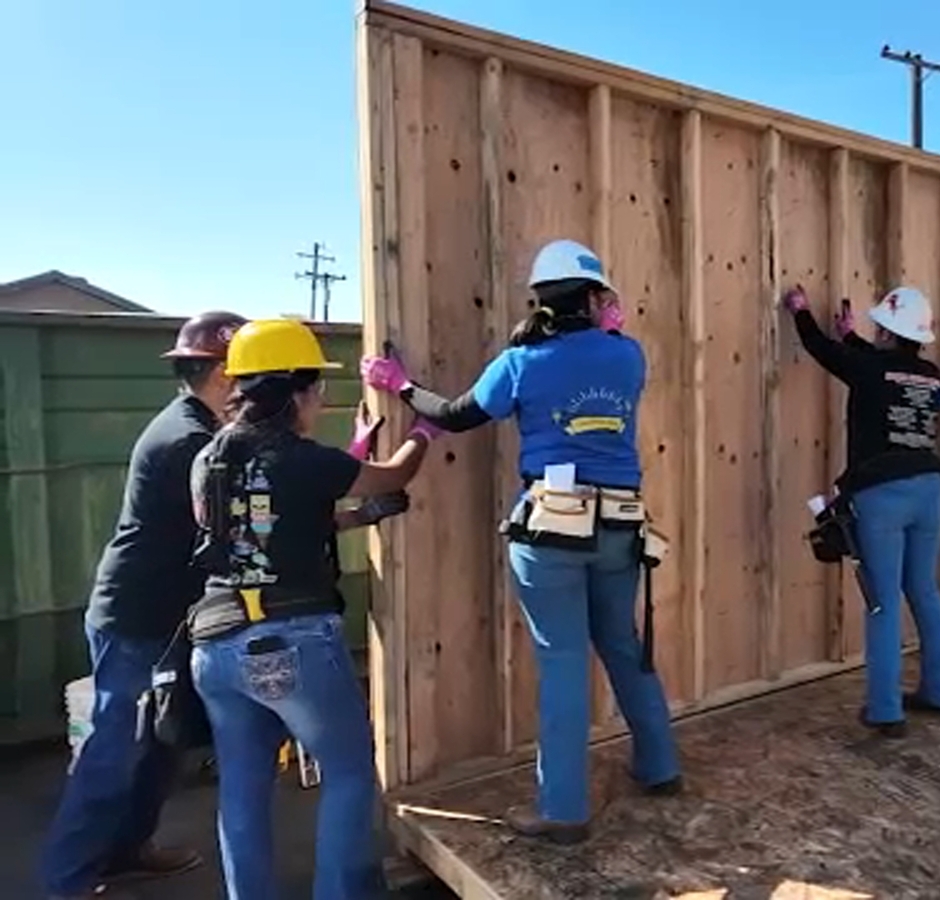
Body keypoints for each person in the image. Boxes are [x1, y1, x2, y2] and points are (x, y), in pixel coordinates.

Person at [360, 238, 679, 845]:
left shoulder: (521, 364)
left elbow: (454, 414)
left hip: (552, 528)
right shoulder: (628, 356)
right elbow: (603, 355)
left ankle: (563, 809)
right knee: (622, 642)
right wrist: (610, 330)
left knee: (561, 663)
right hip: (621, 526)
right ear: (595, 298)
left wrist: (401, 385)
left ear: (541, 301)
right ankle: (660, 765)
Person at [187, 318, 432, 900]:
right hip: (288, 641)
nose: (321, 399)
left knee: (243, 789)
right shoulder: (304, 459)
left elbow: (261, 531)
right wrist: (423, 430)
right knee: (347, 774)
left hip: (217, 644)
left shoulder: (209, 460)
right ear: (296, 391)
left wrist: (357, 513)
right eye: (317, 387)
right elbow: (395, 475)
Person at [39, 312, 246, 900]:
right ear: (224, 376)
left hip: (167, 614)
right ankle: (66, 881)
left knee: (159, 744)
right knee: (112, 750)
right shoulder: (190, 440)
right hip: (135, 615)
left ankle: (126, 851)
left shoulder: (197, 428)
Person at [783, 284, 940, 736]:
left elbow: (819, 348)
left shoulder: (869, 367)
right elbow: (885, 370)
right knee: (924, 591)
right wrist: (853, 338)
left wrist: (802, 313)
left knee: (881, 602)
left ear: (886, 332)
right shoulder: (931, 373)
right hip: (931, 488)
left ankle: (885, 710)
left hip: (882, 492)